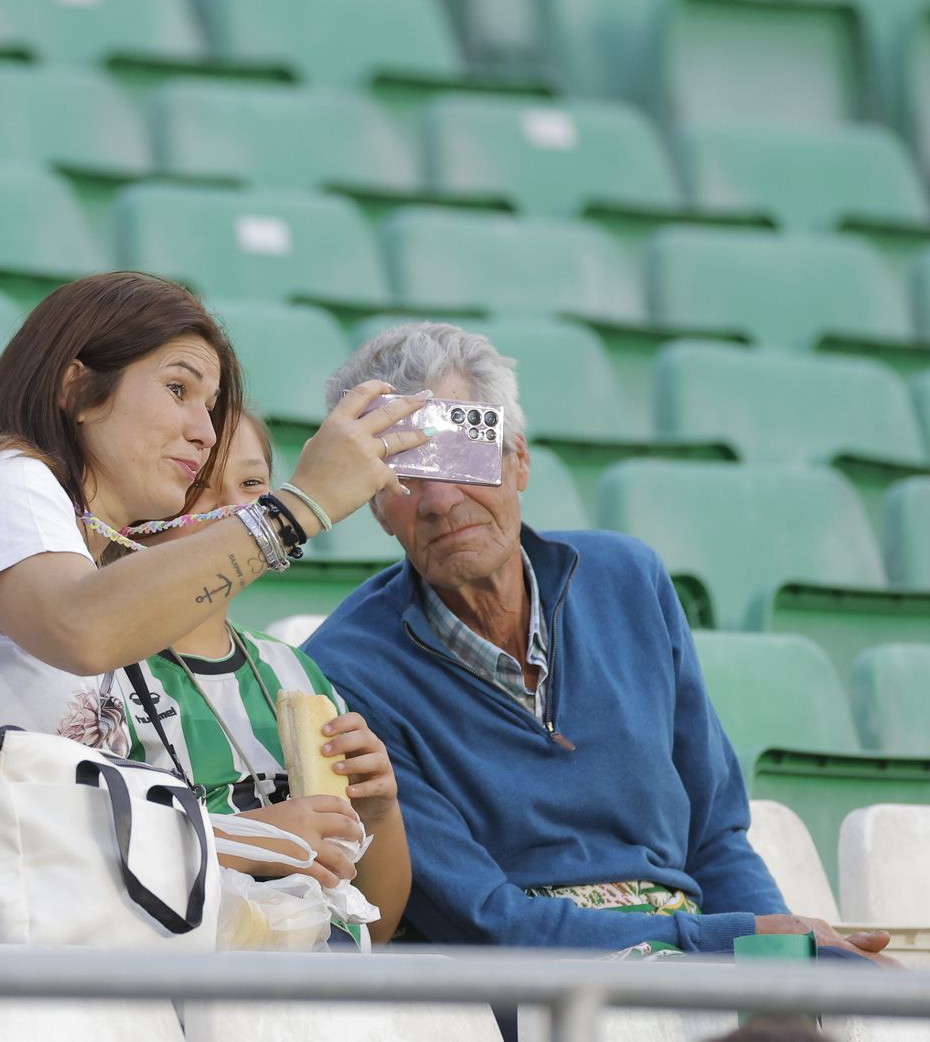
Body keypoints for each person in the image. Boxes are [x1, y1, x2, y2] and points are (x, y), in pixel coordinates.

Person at [0, 272, 429, 940]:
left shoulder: (75, 552)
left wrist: (258, 838)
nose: (205, 433)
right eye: (179, 389)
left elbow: (63, 811)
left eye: (208, 406)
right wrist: (295, 509)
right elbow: (81, 627)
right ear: (79, 389)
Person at [303, 322, 892, 964]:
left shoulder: (631, 580)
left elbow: (717, 836)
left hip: (694, 957)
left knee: (872, 989)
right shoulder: (349, 668)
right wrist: (725, 942)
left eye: (459, 455)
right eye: (403, 476)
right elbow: (485, 923)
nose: (441, 499)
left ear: (517, 460)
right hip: (538, 987)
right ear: (375, 507)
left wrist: (780, 961)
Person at [114, 410, 410, 946]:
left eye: (252, 485)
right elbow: (84, 860)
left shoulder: (293, 670)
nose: (236, 511)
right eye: (197, 483)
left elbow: (377, 924)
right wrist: (256, 836)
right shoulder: (98, 673)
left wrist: (378, 811)